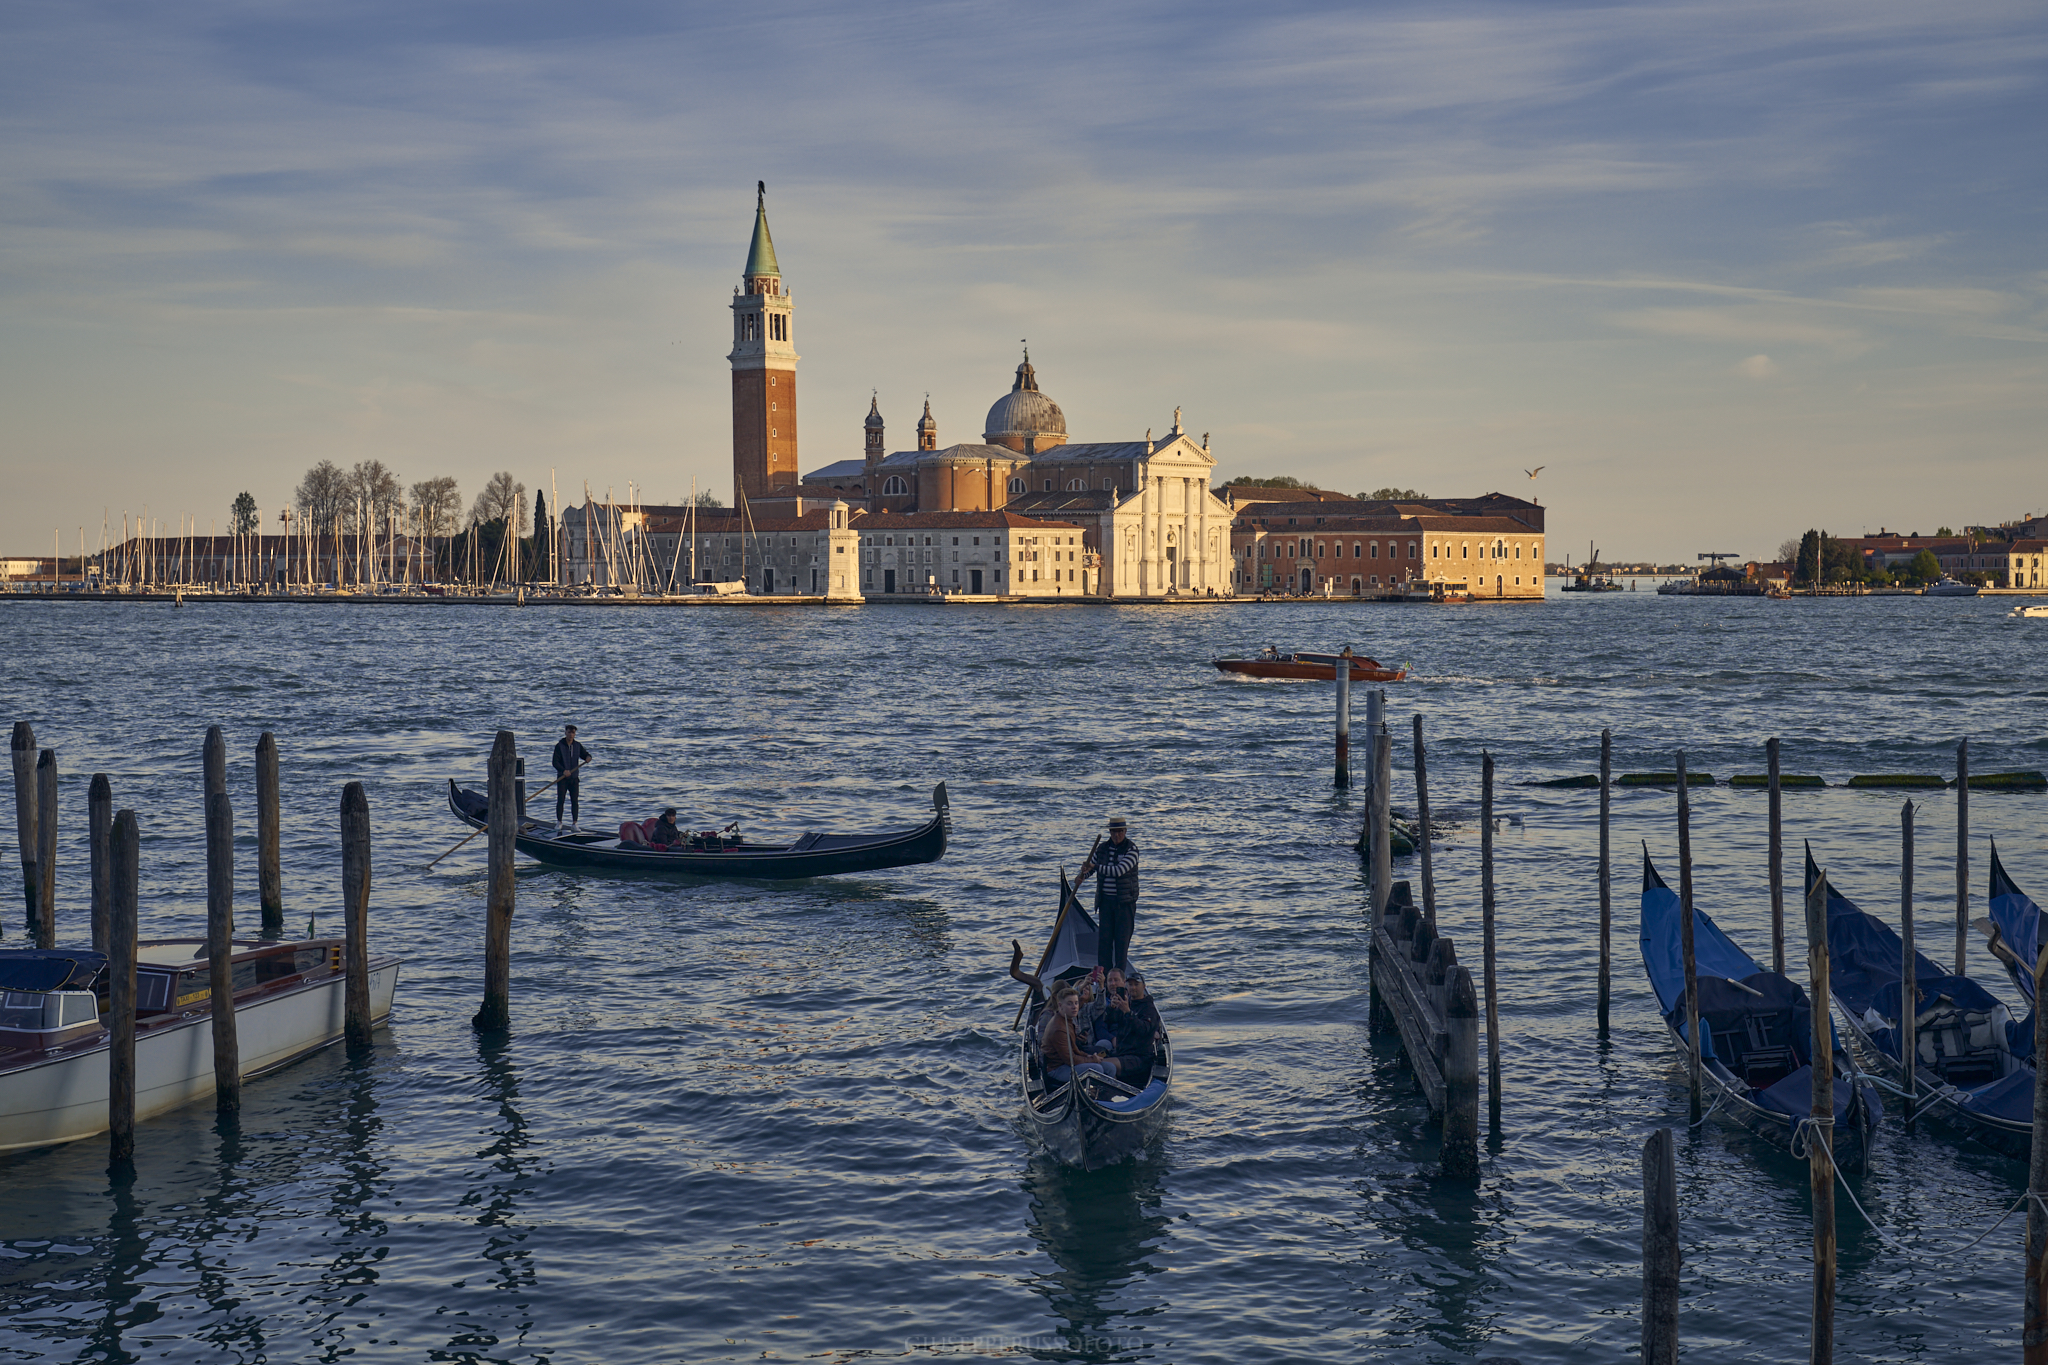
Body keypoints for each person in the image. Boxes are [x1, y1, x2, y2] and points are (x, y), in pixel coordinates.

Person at [1077, 817, 1139, 972]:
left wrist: (1094, 866)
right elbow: (1090, 869)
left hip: (1124, 904)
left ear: (1125, 831)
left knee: (1121, 945)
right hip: (1105, 902)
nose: (1116, 835)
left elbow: (1118, 871)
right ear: (1110, 832)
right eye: (1113, 831)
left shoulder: (1132, 850)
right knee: (1104, 943)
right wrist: (1082, 875)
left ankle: (1119, 979)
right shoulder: (1102, 848)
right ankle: (1103, 978)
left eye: (1119, 831)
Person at [1041, 983, 1116, 1085]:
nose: (1074, 1007)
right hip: (1057, 1069)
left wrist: (1089, 1056)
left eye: (1076, 1003)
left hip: (1069, 1062)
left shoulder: (1068, 1019)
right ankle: (1091, 1092)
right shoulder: (1059, 1028)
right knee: (1097, 1068)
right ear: (1060, 1005)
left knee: (1110, 1068)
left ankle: (1104, 1092)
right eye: (1070, 1004)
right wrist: (1091, 1060)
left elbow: (1075, 1049)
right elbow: (1070, 1059)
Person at [552, 725, 592, 831]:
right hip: (562, 778)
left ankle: (574, 823)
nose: (571, 735)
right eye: (569, 732)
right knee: (561, 800)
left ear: (575, 734)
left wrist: (588, 757)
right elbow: (555, 762)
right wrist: (563, 771)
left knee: (574, 801)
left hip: (574, 778)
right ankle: (559, 822)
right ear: (565, 732)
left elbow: (585, 754)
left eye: (573, 733)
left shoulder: (577, 745)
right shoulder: (559, 746)